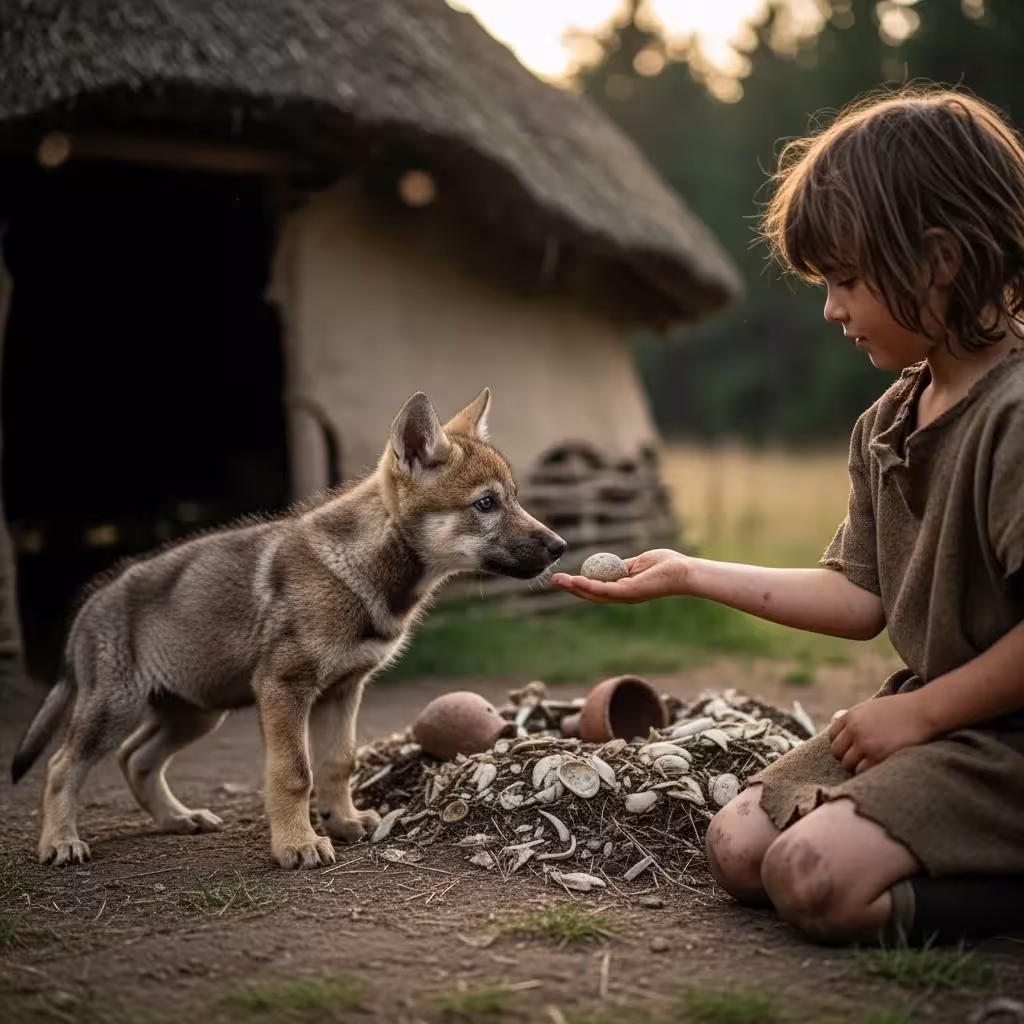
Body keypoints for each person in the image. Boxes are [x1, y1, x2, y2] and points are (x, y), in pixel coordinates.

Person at [551, 86, 1024, 947]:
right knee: (738, 848)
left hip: (1004, 738)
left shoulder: (1015, 416)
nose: (832, 310)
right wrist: (688, 574)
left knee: (812, 879)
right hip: (942, 724)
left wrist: (918, 716)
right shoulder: (885, 425)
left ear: (940, 259)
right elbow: (858, 597)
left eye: (846, 281)